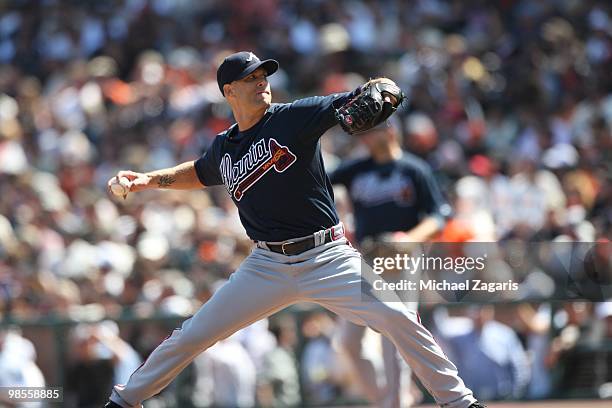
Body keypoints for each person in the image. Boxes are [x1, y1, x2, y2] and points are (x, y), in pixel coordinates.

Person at [104, 51, 483, 408]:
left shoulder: (294, 117)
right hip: (266, 264)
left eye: (262, 75)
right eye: (249, 78)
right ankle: (125, 400)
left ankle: (459, 401)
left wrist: (384, 87)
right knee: (193, 335)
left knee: (399, 317)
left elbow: (367, 92)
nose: (260, 82)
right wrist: (148, 180)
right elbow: (201, 172)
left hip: (327, 256)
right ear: (228, 92)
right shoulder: (224, 147)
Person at [329, 117, 451, 407]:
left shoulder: (413, 169)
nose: (367, 136)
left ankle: (396, 402)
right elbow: (318, 180)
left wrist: (410, 239)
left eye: (373, 129)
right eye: (365, 130)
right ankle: (385, 400)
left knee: (395, 337)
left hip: (403, 259)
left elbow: (439, 215)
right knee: (347, 342)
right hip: (366, 259)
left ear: (391, 130)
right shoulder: (356, 169)